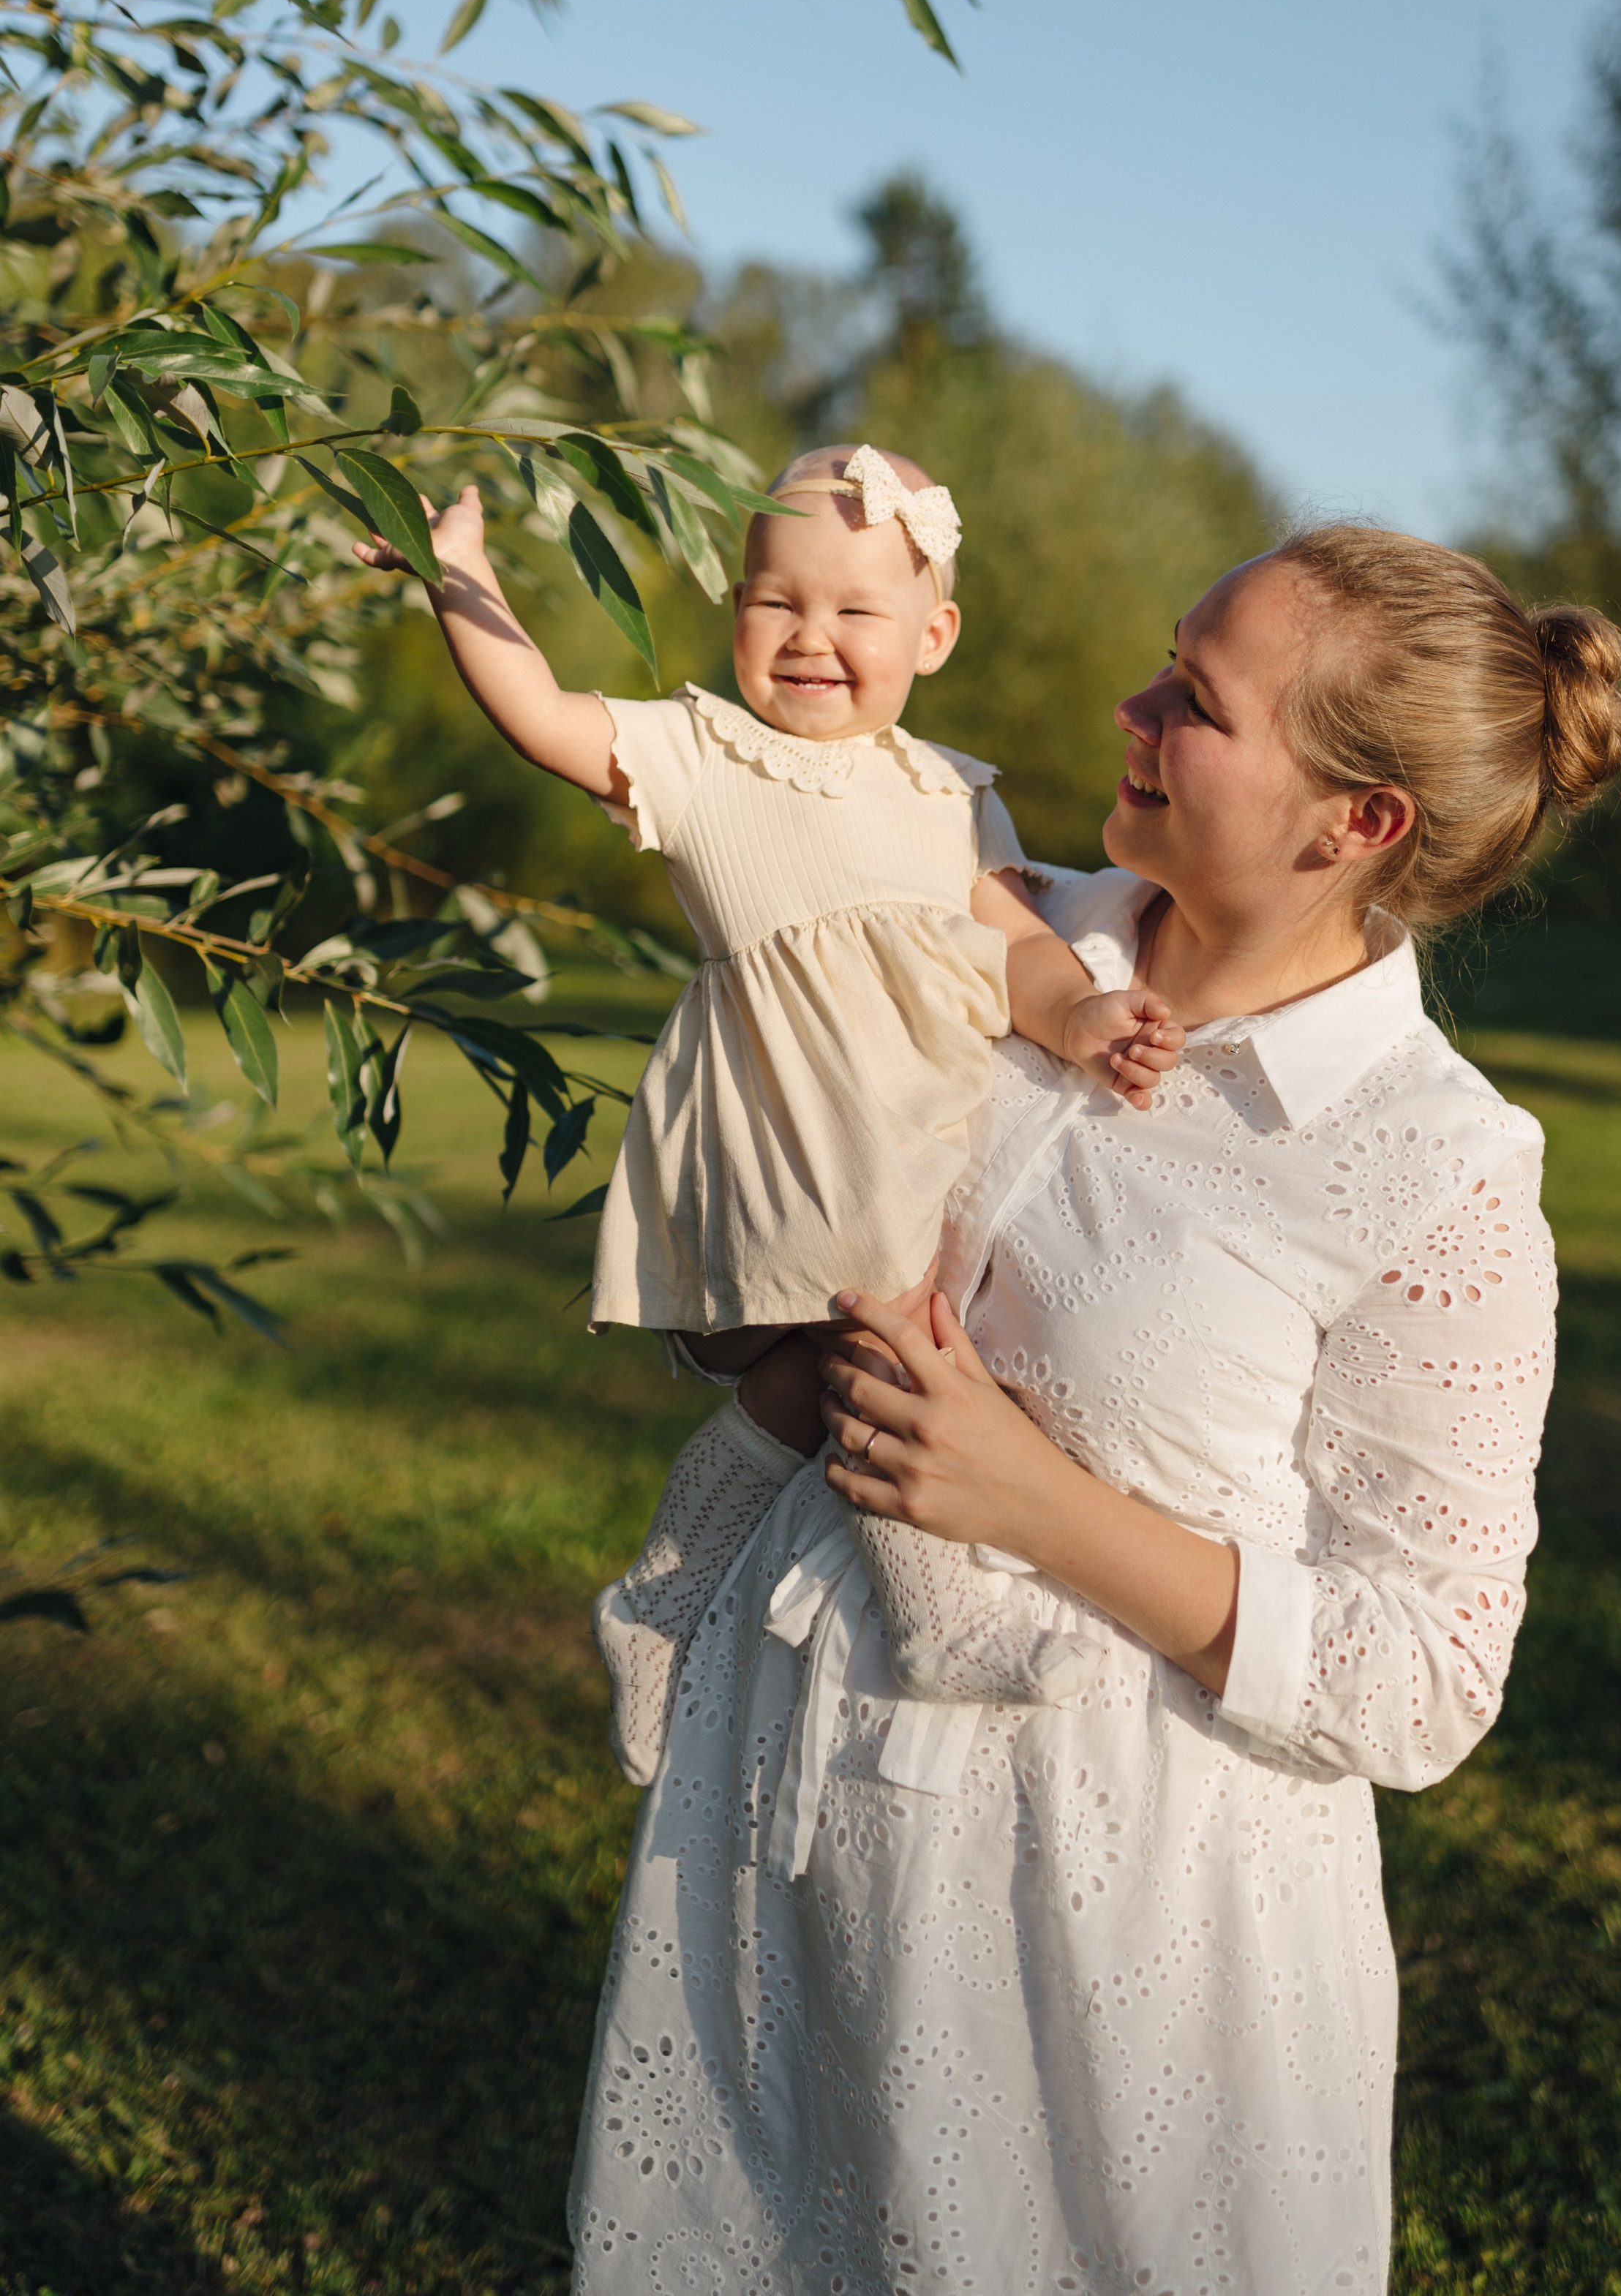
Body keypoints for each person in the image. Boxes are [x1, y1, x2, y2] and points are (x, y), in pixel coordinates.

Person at [565, 523, 1621, 2296]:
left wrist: (1032, 1501)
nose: (1128, 707)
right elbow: (774, 1235)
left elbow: (1426, 1673)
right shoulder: (988, 933)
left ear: (1353, 822)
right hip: (798, 1785)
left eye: (1193, 701)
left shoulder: (1429, 1164)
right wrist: (765, 1331)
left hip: (1113, 1900)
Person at [351, 443, 1184, 1771]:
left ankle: (666, 1592)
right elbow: (544, 713)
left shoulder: (954, 792)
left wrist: (1082, 1017)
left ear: (934, 634)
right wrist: (459, 579)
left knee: (836, 1369)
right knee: (887, 1338)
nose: (811, 638)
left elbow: (1015, 948)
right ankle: (935, 1610)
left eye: (856, 611)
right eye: (774, 601)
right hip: (789, 1136)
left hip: (913, 1141)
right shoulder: (706, 755)